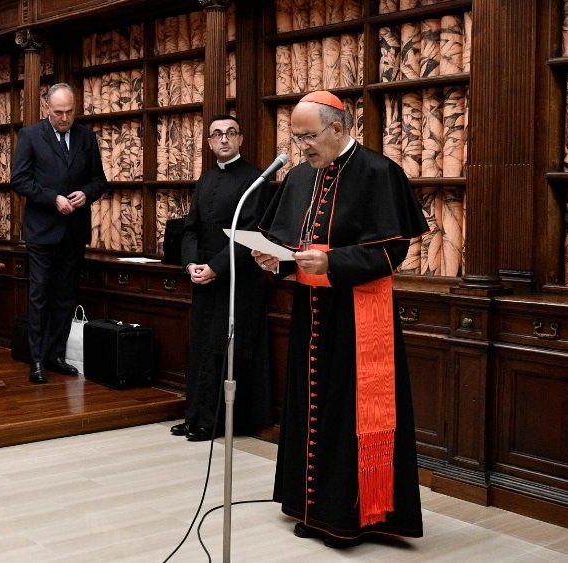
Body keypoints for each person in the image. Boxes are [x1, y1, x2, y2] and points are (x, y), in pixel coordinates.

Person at [253, 90, 428, 549]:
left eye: (308, 136)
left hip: (358, 316)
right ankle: (311, 507)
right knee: (313, 409)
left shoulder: (378, 172)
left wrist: (332, 264)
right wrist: (279, 261)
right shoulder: (301, 176)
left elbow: (392, 250)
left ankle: (353, 518)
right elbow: (297, 247)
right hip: (311, 314)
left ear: (337, 127)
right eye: (296, 137)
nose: (302, 146)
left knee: (348, 414)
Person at [172, 114, 273, 443]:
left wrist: (215, 267)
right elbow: (190, 229)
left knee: (223, 350)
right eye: (217, 135)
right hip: (203, 276)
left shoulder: (255, 180)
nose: (224, 139)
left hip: (237, 279)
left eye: (231, 133)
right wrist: (191, 265)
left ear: (240, 139)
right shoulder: (205, 179)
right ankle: (194, 417)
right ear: (210, 142)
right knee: (200, 347)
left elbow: (249, 234)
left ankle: (213, 423)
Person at [11, 83, 108, 384]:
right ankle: (37, 359)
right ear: (47, 110)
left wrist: (85, 194)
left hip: (74, 232)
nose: (65, 118)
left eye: (69, 112)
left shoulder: (86, 137)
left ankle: (56, 355)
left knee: (66, 296)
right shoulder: (30, 136)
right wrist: (53, 198)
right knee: (40, 296)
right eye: (58, 113)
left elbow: (99, 180)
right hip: (42, 231)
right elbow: (19, 180)